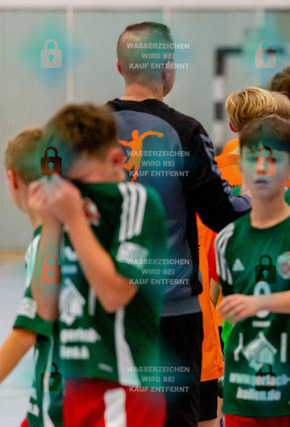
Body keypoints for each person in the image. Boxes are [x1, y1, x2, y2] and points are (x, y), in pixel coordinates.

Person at [109, 22, 251, 427]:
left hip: (105, 307)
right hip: (171, 309)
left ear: (120, 66)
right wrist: (256, 197)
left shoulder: (88, 130)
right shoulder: (184, 131)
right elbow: (221, 212)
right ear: (167, 67)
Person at [29, 103, 168, 426]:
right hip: (73, 383)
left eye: (84, 183)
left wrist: (74, 219)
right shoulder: (65, 211)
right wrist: (50, 225)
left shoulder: (137, 202)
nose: (75, 193)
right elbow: (45, 308)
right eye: (67, 184)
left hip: (125, 383)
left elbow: (114, 294)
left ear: (116, 160)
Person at [214, 116, 290, 426]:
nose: (261, 168)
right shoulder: (227, 238)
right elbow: (234, 315)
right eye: (253, 159)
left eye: (272, 160)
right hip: (242, 391)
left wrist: (259, 302)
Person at [0, 127, 63, 427]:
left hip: (58, 407)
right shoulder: (81, 233)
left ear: (12, 179)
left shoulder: (46, 244)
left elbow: (26, 333)